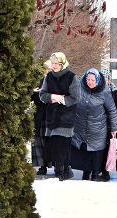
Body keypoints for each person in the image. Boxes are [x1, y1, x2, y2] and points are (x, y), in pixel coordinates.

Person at [71, 68, 117, 181]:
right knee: (84, 151)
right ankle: (85, 174)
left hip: (98, 128)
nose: (90, 82)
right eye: (88, 79)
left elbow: (112, 110)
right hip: (81, 126)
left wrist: (114, 127)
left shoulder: (104, 91)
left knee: (96, 152)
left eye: (92, 80)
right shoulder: (80, 87)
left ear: (97, 80)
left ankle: (96, 174)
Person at [39, 52, 80, 181]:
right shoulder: (49, 77)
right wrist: (53, 97)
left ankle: (62, 172)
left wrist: (62, 100)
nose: (54, 66)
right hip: (52, 115)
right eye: (53, 63)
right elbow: (42, 94)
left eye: (57, 63)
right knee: (55, 145)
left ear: (62, 63)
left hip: (66, 115)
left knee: (61, 144)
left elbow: (75, 97)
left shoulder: (71, 77)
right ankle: (64, 171)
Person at [100, 67, 117, 181]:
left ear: (108, 79)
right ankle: (97, 168)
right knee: (98, 148)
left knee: (108, 148)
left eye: (105, 78)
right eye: (101, 78)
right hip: (98, 124)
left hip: (111, 125)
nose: (103, 81)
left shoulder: (115, 92)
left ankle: (106, 170)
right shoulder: (96, 90)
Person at [31, 60, 53, 175]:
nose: (48, 72)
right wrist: (33, 91)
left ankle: (53, 164)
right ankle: (42, 166)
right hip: (39, 116)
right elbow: (30, 96)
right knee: (39, 142)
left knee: (50, 142)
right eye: (46, 70)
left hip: (51, 117)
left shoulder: (55, 81)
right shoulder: (37, 81)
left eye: (50, 70)